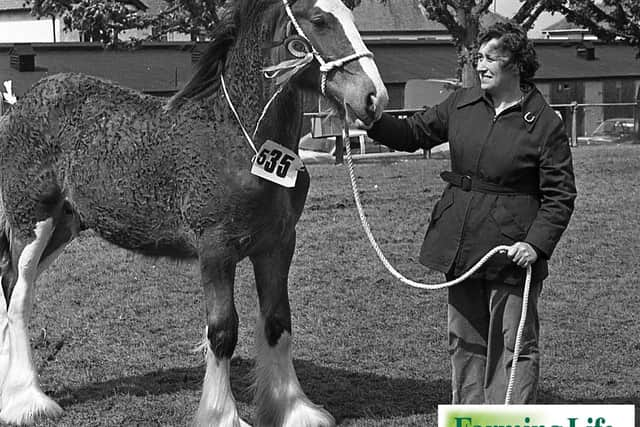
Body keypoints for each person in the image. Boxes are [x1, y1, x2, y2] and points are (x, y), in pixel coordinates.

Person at [361, 22, 577, 404]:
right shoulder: (461, 103)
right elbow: (414, 133)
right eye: (479, 57)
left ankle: (507, 416)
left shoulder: (544, 123)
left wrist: (536, 245)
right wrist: (374, 122)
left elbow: (560, 195)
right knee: (464, 342)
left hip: (511, 253)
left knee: (513, 347)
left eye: (491, 58)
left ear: (517, 64)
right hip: (461, 245)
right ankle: (469, 415)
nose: (481, 65)